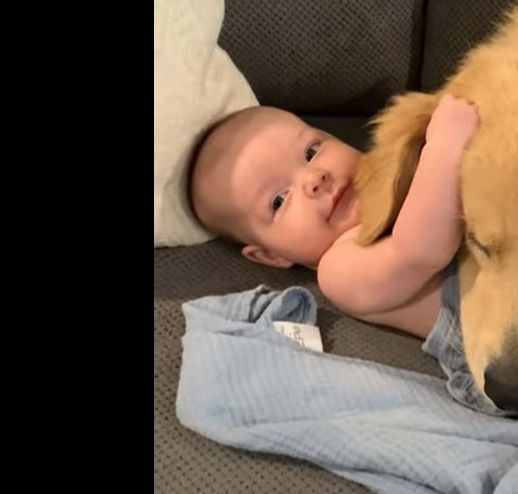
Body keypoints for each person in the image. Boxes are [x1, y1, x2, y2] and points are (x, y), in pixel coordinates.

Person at [188, 95, 478, 338]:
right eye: (279, 200)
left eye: (312, 151)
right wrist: (444, 147)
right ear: (269, 255)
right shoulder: (338, 269)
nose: (314, 178)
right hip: (501, 347)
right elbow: (420, 252)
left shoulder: (398, 171)